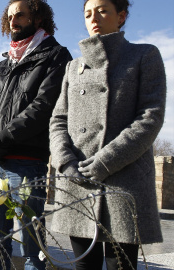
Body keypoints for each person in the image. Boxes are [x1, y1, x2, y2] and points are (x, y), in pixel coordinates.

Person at [49, 0, 165, 269]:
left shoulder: (144, 55)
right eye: (88, 13)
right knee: (83, 266)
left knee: (120, 265)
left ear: (121, 16)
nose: (94, 18)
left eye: (103, 11)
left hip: (123, 180)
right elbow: (58, 119)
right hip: (77, 181)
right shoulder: (73, 66)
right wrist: (65, 162)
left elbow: (150, 117)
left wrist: (104, 162)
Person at [0, 0, 72, 269]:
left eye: (20, 15)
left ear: (37, 18)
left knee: (31, 246)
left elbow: (43, 106)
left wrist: (2, 140)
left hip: (27, 161)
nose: (13, 20)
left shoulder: (56, 54)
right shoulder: (4, 62)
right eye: (10, 16)